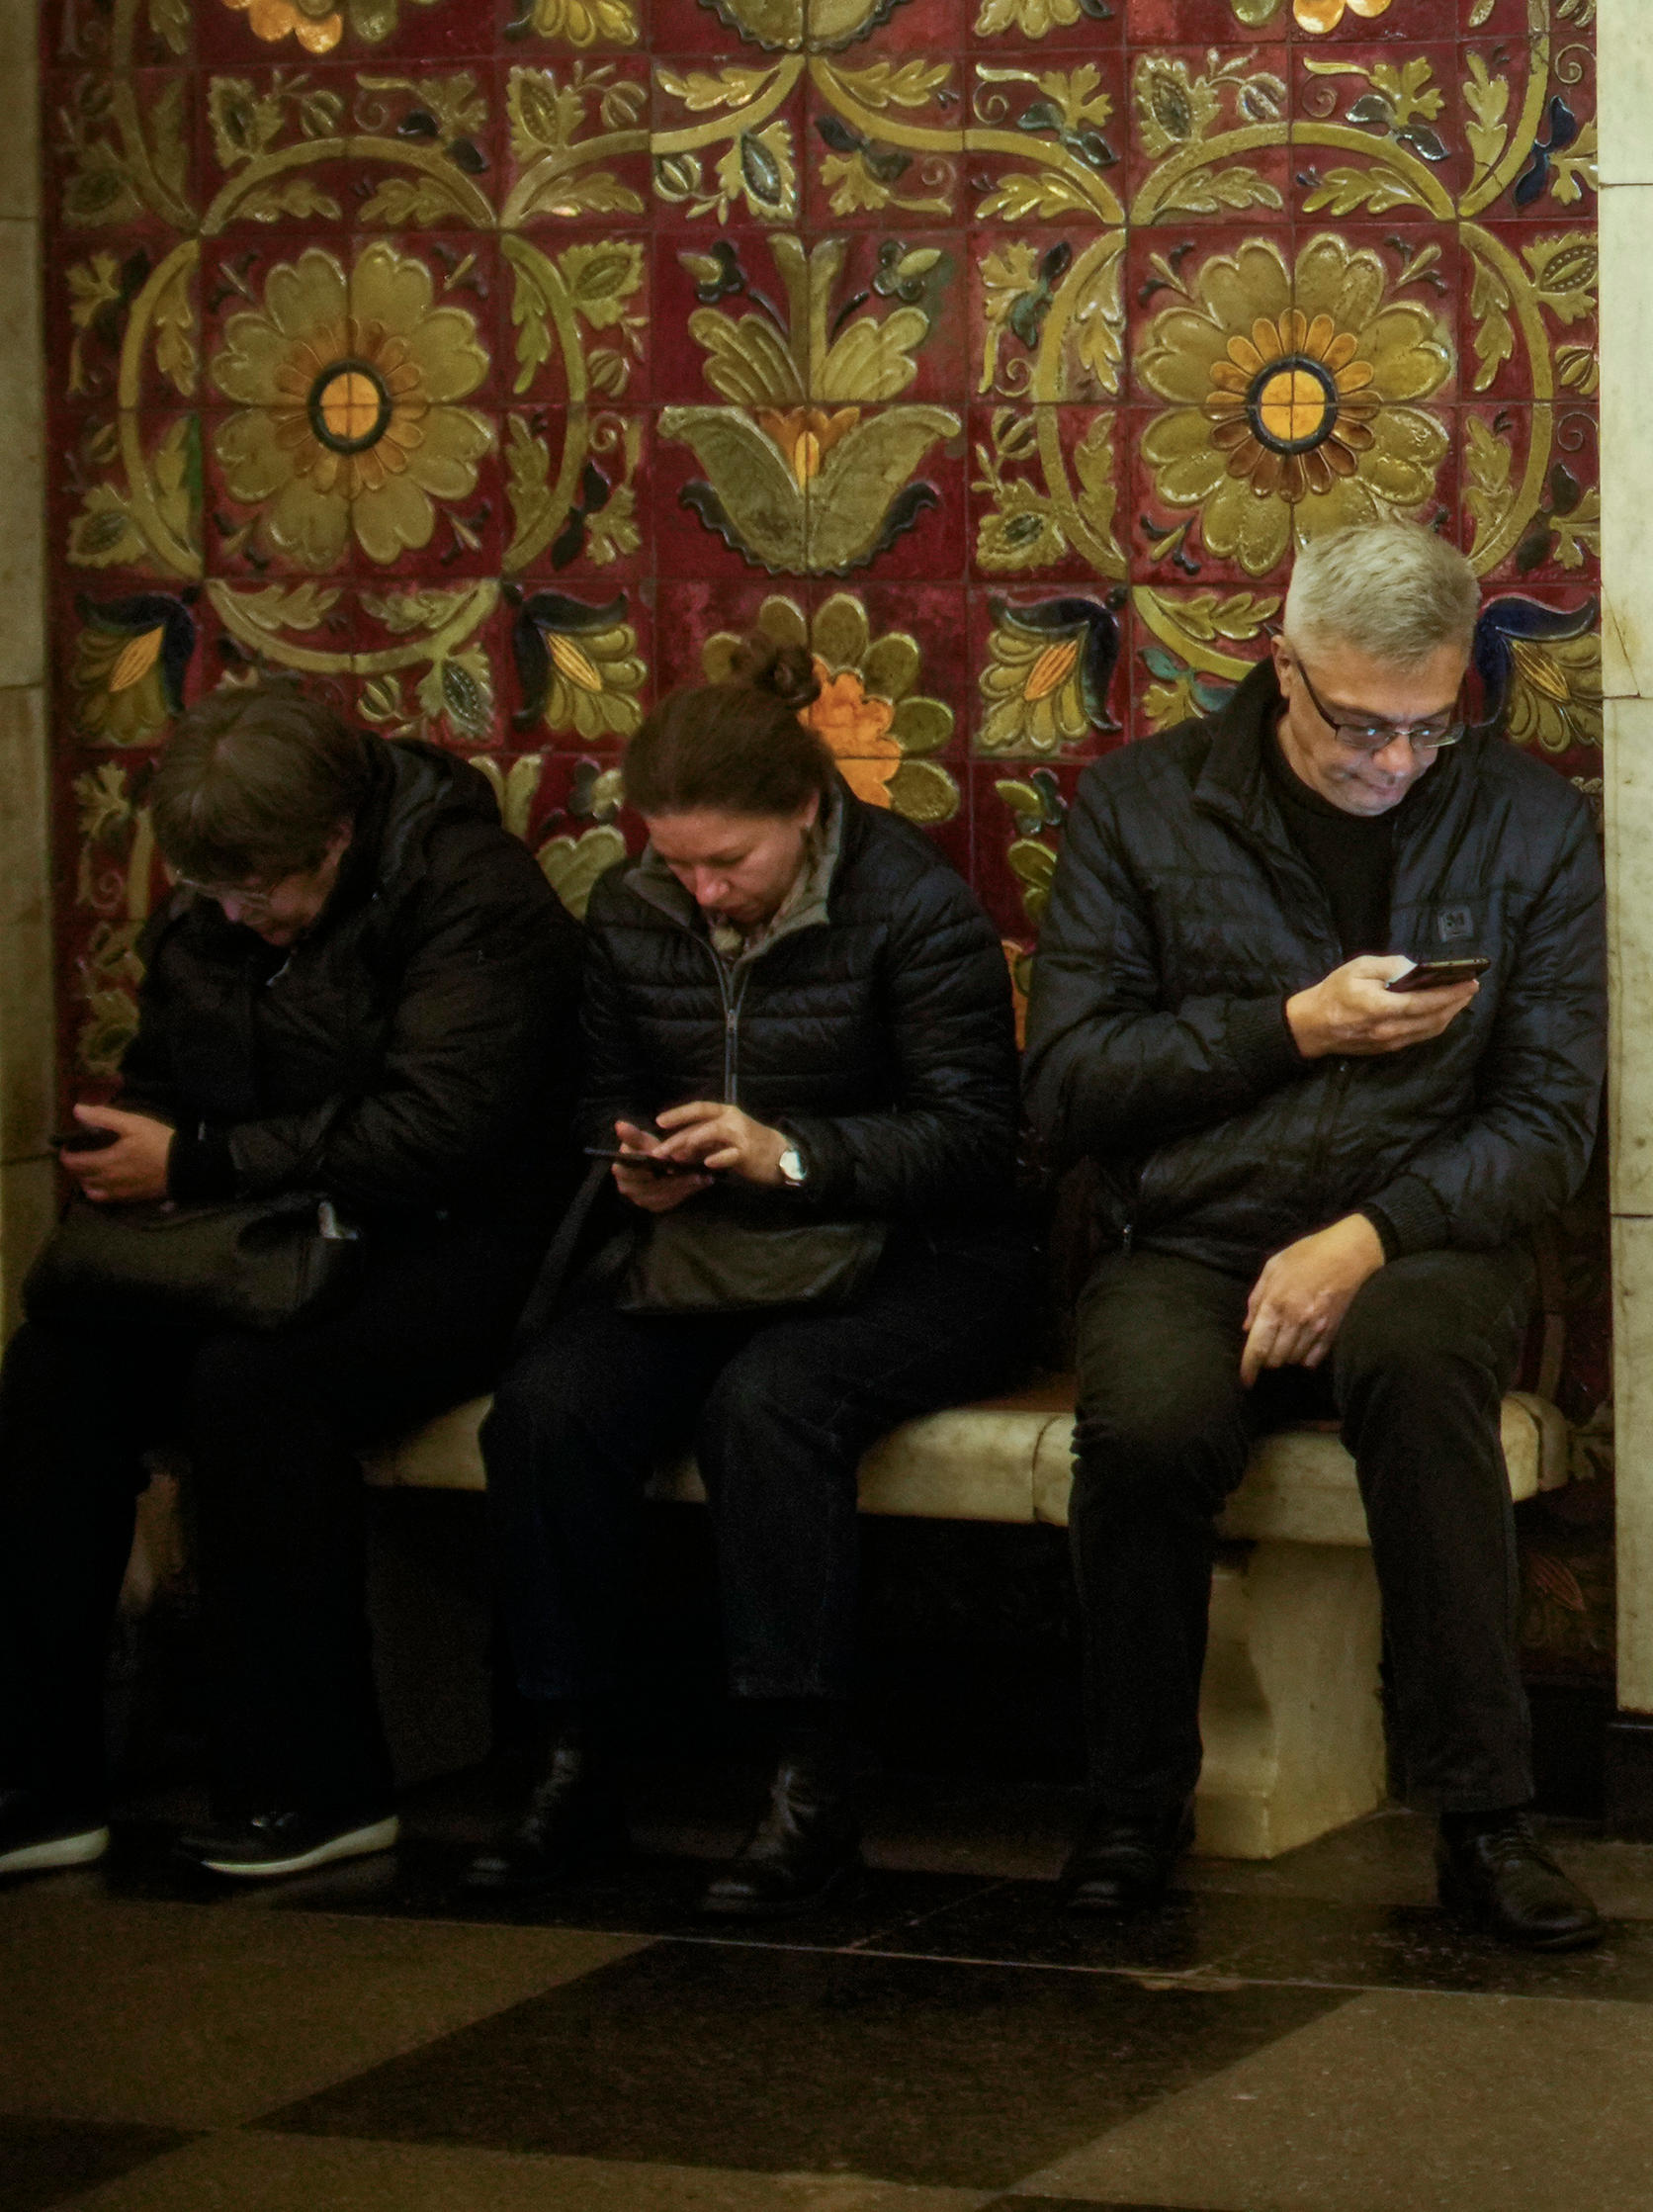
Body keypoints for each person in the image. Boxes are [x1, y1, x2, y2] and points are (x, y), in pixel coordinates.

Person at [1027, 521, 1605, 1950]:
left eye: (1427, 727)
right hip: (1192, 1228)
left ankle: (1484, 1822)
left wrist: (1367, 1235)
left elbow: (1548, 1118)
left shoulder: (1528, 824)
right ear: (1280, 665)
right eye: (1357, 722)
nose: (1392, 761)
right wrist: (1291, 1027)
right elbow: (1069, 1084)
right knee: (1150, 1429)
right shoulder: (1143, 807)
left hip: (1418, 1238)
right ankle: (1130, 1806)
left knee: (1419, 1381)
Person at [462, 650, 1046, 1915]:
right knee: (549, 1410)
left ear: (805, 813)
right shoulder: (633, 911)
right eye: (680, 865)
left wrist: (790, 1153)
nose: (705, 890)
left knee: (770, 1407)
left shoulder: (912, 910)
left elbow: (973, 1142)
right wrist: (638, 1160)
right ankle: (572, 1758)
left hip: (921, 1256)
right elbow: (601, 1093)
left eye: (730, 864)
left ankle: (806, 1784)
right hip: (712, 1248)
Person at [0, 684, 578, 1882]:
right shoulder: (225, 901)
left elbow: (441, 1131)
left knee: (256, 1384)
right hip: (261, 1233)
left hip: (449, 1246)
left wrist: (205, 1160)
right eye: (218, 893)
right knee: (60, 1364)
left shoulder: (472, 896)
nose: (239, 916)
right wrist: (139, 1140)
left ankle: (311, 1781)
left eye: (262, 891)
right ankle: (38, 1776)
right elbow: (175, 1062)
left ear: (335, 836)